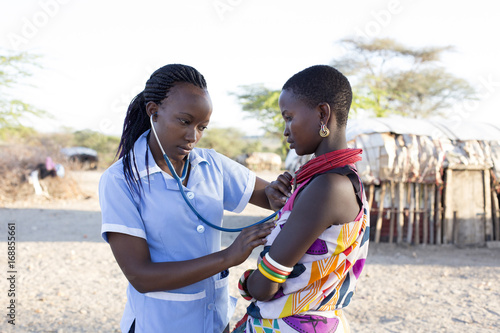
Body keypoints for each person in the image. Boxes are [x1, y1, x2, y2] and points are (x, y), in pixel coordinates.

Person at [99, 64, 291, 333]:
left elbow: (271, 198)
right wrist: (228, 257)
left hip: (214, 321)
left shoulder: (212, 164)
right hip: (160, 324)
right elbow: (140, 276)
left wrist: (278, 192)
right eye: (184, 121)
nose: (193, 137)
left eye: (202, 127)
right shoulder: (121, 180)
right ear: (153, 112)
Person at [233, 65, 370, 333]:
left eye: (288, 117)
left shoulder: (328, 186)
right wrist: (288, 205)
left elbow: (264, 287)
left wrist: (246, 281)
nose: (285, 130)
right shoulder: (337, 180)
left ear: (322, 113)